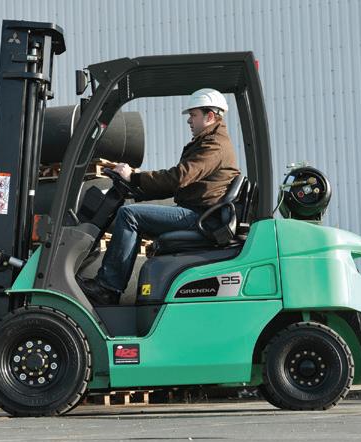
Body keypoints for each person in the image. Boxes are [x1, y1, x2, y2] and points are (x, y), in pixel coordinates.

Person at [77, 88, 240, 305]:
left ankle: (108, 287)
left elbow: (179, 177)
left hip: (201, 217)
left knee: (129, 215)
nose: (189, 120)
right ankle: (110, 285)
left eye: (193, 115)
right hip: (199, 213)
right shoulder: (208, 142)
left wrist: (135, 177)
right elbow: (178, 186)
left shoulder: (214, 145)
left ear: (209, 116)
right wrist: (137, 185)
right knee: (132, 211)